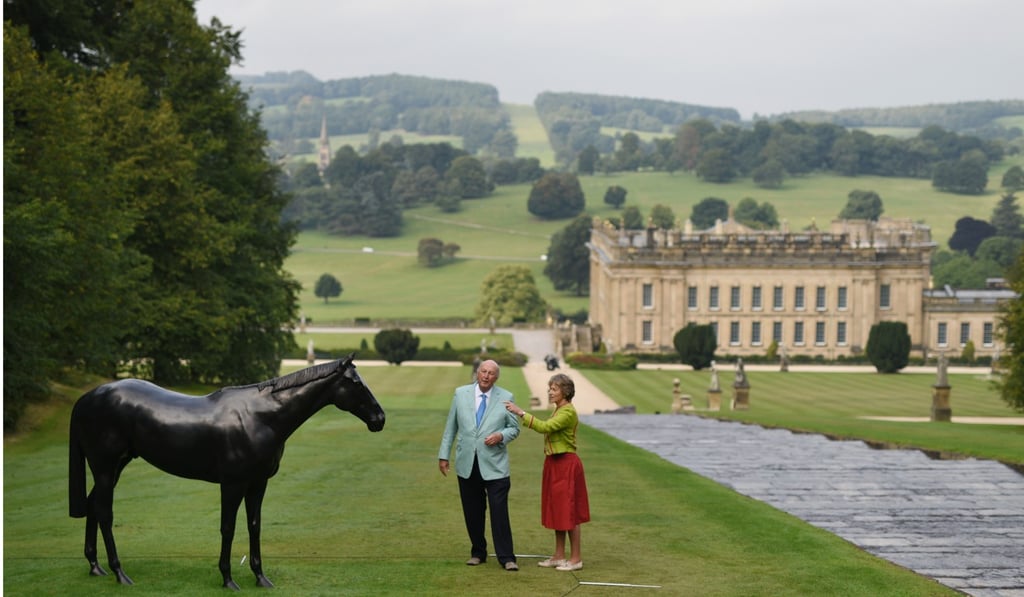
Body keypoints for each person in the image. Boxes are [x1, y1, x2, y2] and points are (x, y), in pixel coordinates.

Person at [438, 359, 521, 571]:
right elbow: (451, 427)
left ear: (496, 377)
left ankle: (507, 557)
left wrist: (500, 435)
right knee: (473, 512)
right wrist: (443, 456)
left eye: (491, 373)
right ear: (477, 372)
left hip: (495, 466)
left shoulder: (506, 397)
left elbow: (514, 428)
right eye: (483, 371)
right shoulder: (460, 394)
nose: (486, 375)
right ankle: (478, 553)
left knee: (499, 512)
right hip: (467, 463)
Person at [504, 373, 590, 572]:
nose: (550, 392)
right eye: (550, 389)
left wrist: (520, 412)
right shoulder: (559, 409)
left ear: (565, 391)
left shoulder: (567, 412)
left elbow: (545, 427)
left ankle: (575, 559)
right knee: (558, 510)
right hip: (554, 463)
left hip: (566, 464)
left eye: (554, 389)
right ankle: (559, 556)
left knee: (570, 511)